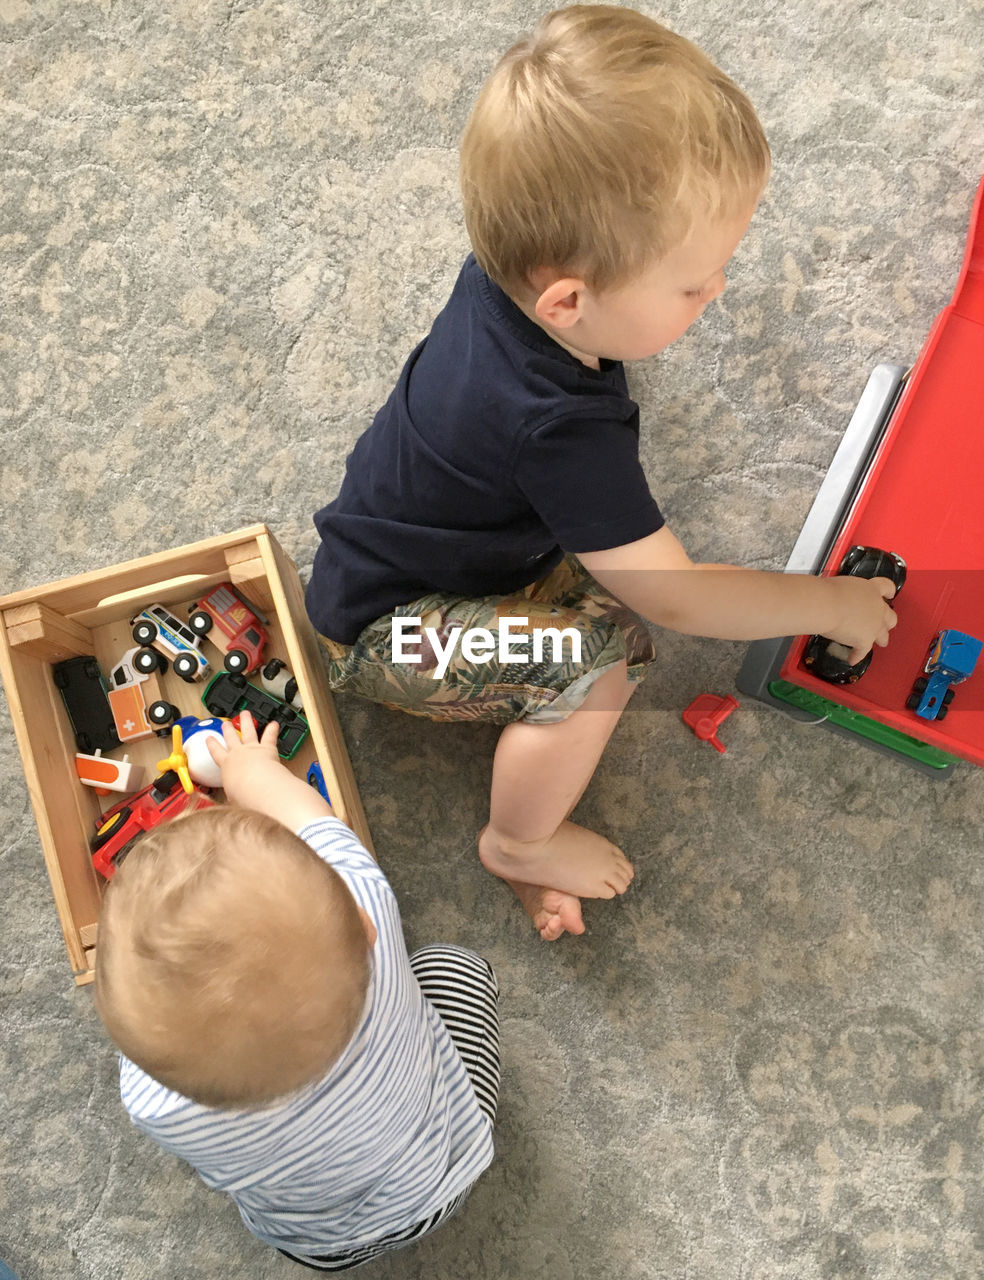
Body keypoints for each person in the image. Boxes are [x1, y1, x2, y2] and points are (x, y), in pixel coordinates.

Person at [305, 5, 897, 942]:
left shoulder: (511, 280)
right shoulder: (557, 430)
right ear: (569, 299)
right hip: (385, 635)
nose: (719, 294)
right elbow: (684, 601)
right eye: (695, 285)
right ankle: (516, 840)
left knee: (609, 602)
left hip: (451, 552)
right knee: (606, 655)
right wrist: (830, 605)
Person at [93, 712, 499, 1271]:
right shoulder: (372, 910)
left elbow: (158, 1025)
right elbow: (311, 817)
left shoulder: (152, 1103)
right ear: (366, 926)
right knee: (456, 968)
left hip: (317, 1246)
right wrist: (250, 769)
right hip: (444, 1168)